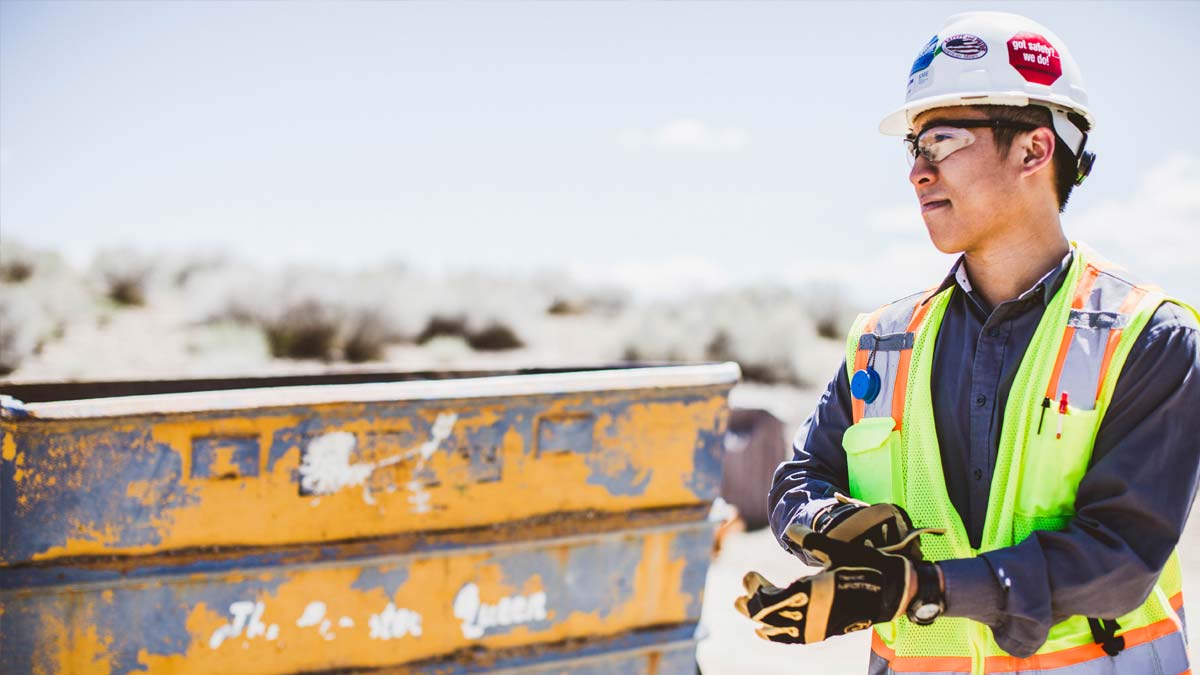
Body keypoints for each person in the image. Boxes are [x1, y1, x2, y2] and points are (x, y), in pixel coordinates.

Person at [733, 11, 1200, 674]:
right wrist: (823, 523)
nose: (917, 172)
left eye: (942, 142)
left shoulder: (1149, 336)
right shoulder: (883, 342)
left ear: (1034, 150)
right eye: (912, 149)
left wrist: (920, 589)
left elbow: (1117, 559)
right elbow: (797, 480)